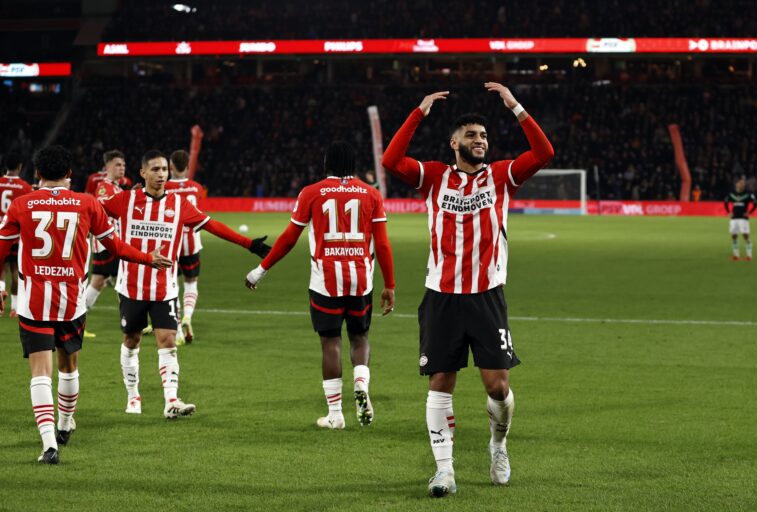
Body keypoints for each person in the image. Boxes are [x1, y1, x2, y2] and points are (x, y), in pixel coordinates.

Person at [380, 83, 554, 496]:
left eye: (484, 135)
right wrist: (418, 112)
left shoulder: (502, 176)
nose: (480, 141)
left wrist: (515, 106)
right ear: (454, 143)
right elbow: (390, 160)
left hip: (486, 296)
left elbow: (544, 153)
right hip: (441, 296)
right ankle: (444, 471)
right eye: (471, 135)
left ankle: (498, 445)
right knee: (440, 382)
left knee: (498, 387)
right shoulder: (434, 177)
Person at [0, 145, 171, 464]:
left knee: (40, 372)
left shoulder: (23, 204)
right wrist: (147, 258)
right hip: (71, 303)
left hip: (34, 302)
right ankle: (65, 424)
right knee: (68, 367)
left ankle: (49, 445)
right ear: (69, 173)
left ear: (37, 173)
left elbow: (1, 248)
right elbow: (113, 246)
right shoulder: (87, 203)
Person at [101, 149, 270, 418]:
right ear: (143, 172)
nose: (161, 174)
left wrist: (248, 244)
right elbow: (92, 213)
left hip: (165, 288)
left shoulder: (179, 205)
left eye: (164, 169)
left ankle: (171, 401)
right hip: (132, 286)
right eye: (155, 169)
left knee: (167, 339)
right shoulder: (125, 200)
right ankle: (133, 396)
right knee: (131, 340)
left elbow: (212, 225)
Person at [245, 141, 395, 429]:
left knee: (330, 343)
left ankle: (335, 415)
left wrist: (260, 270)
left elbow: (289, 239)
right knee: (360, 337)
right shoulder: (371, 193)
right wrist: (390, 284)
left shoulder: (311, 192)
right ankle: (361, 383)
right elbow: (383, 244)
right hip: (360, 280)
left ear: (327, 164)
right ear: (353, 164)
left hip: (325, 281)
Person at [164, 149, 205, 345]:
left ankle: (178, 328)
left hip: (171, 244)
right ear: (188, 166)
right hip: (192, 243)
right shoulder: (196, 188)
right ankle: (188, 315)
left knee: (172, 285)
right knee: (191, 282)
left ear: (170, 166)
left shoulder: (164, 187)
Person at [82, 150, 127, 326]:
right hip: (108, 242)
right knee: (125, 279)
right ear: (107, 167)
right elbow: (103, 209)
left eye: (123, 165)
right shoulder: (104, 187)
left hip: (109, 242)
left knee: (98, 281)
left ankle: (78, 314)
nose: (122, 168)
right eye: (117, 165)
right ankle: (130, 318)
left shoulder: (117, 188)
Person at [0, 152, 33, 316]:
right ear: (20, 167)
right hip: (16, 234)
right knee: (15, 269)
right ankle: (15, 307)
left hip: (1, 232)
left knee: (1, 268)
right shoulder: (25, 187)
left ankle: (0, 297)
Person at [724, 176, 757, 261]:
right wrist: (728, 212)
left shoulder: (748, 193)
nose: (742, 184)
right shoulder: (732, 193)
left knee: (746, 235)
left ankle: (749, 255)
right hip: (734, 217)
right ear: (736, 184)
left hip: (743, 218)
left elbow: (755, 203)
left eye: (743, 183)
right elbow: (725, 202)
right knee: (734, 236)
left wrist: (749, 212)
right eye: (740, 182)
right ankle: (736, 255)